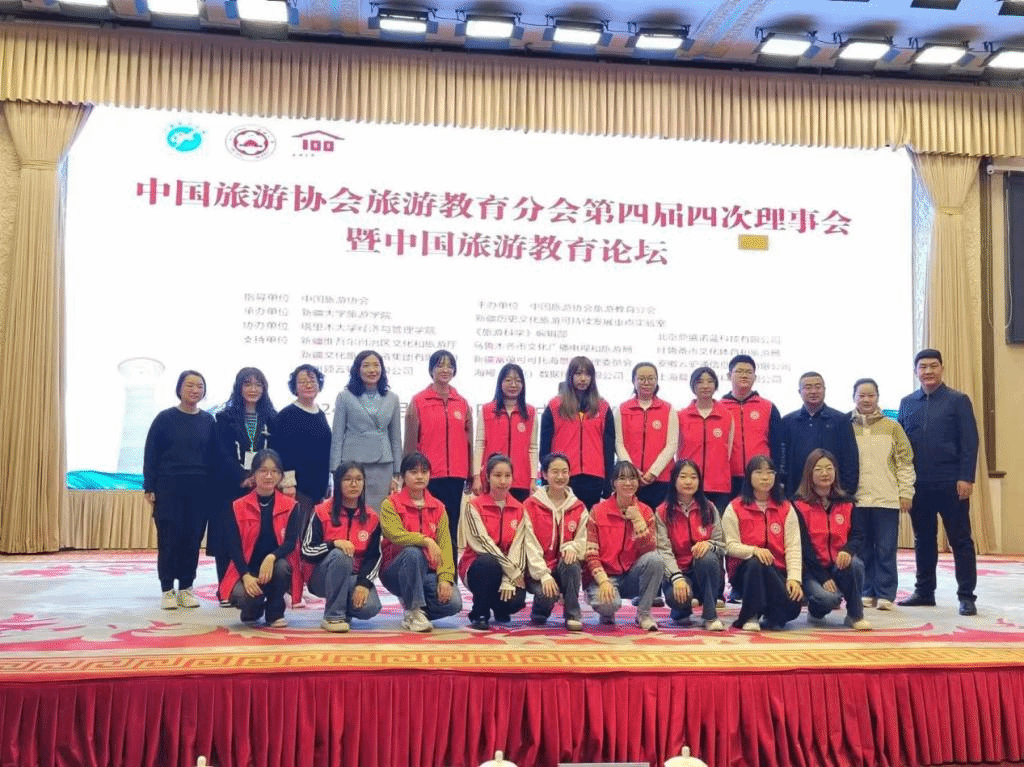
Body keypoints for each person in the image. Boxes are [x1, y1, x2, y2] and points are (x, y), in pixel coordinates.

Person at [897, 349, 980, 616]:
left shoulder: (958, 400)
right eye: (923, 367)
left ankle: (966, 596)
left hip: (951, 482)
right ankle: (924, 591)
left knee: (960, 540)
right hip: (919, 484)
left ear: (942, 368)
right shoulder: (907, 403)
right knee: (923, 539)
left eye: (933, 366)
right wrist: (903, 484)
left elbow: (970, 441)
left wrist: (966, 477)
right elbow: (901, 446)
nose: (928, 371)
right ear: (915, 372)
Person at [143, 370, 216, 610]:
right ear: (179, 388)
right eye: (190, 385)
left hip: (200, 489)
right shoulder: (165, 418)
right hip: (169, 487)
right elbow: (151, 454)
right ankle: (167, 589)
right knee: (168, 539)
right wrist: (149, 485)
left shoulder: (208, 421)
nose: (195, 390)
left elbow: (214, 457)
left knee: (192, 539)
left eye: (200, 386)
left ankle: (186, 587)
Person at [459, 454, 554, 630]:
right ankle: (480, 612)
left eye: (507, 475)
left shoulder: (520, 508)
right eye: (497, 475)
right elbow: (482, 543)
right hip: (478, 566)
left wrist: (509, 580)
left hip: (509, 569)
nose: (503, 481)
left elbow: (519, 547)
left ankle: (499, 607)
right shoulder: (474, 506)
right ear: (488, 477)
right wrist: (510, 571)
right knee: (488, 563)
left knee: (515, 600)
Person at [218, 449, 303, 628]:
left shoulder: (291, 506)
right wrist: (246, 575)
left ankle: (275, 612)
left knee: (282, 567)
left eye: (274, 471)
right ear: (254, 474)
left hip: (274, 567)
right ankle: (253, 609)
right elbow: (233, 547)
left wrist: (271, 557)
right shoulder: (237, 506)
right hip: (247, 569)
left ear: (280, 476)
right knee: (246, 598)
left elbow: (290, 543)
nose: (268, 476)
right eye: (263, 471)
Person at [379, 452, 463, 631]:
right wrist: (425, 541)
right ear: (403, 476)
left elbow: (445, 545)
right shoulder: (390, 504)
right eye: (413, 472)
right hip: (395, 570)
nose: (419, 476)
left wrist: (445, 578)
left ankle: (414, 608)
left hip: (427, 571)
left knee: (454, 603)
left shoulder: (438, 507)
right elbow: (395, 535)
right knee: (413, 552)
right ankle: (414, 609)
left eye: (424, 472)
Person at [851, 378, 915, 611]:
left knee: (886, 548)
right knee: (863, 548)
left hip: (887, 498)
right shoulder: (846, 426)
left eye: (871, 395)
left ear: (878, 397)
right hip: (857, 499)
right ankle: (866, 590)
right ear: (854, 397)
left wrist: (906, 492)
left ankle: (886, 593)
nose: (866, 400)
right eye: (862, 395)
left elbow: (905, 462)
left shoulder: (892, 427)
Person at [212, 367, 276, 600]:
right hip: (231, 485)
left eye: (258, 384)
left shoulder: (271, 417)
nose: (253, 389)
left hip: (262, 486)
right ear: (239, 387)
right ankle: (225, 588)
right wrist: (243, 477)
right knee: (228, 535)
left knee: (256, 535)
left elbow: (276, 451)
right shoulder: (225, 418)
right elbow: (221, 453)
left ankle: (255, 583)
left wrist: (260, 477)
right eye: (247, 384)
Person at [404, 349, 473, 564]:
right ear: (431, 370)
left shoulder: (462, 403)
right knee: (428, 528)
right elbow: (410, 442)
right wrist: (408, 473)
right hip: (427, 476)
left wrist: (471, 474)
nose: (445, 370)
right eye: (440, 365)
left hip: (456, 476)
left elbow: (469, 442)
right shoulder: (419, 401)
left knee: (451, 527)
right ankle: (428, 572)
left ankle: (449, 575)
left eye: (449, 365)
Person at [722, 455, 803, 631]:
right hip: (745, 572)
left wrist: (794, 578)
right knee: (755, 562)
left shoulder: (786, 508)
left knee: (793, 606)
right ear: (749, 476)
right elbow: (729, 545)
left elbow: (793, 547)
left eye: (770, 472)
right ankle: (750, 616)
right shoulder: (735, 507)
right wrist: (754, 550)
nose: (765, 478)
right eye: (759, 472)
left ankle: (769, 613)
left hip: (777, 572)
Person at [792, 449, 871, 630]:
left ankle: (855, 615)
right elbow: (803, 547)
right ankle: (815, 611)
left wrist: (848, 550)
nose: (825, 473)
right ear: (809, 473)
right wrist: (823, 577)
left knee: (856, 564)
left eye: (829, 468)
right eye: (818, 469)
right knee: (828, 599)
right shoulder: (798, 505)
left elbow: (858, 535)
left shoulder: (847, 502)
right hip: (811, 570)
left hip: (838, 565)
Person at [301, 462, 383, 632]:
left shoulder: (372, 517)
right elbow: (306, 550)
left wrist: (364, 584)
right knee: (342, 555)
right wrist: (333, 544)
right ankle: (333, 617)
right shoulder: (321, 511)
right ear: (338, 482)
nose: (354, 484)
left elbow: (374, 557)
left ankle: (342, 607)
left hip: (353, 577)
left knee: (370, 607)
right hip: (321, 577)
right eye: (347, 479)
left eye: (358, 479)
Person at [584, 460, 665, 631]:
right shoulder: (598, 511)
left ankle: (644, 614)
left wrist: (638, 521)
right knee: (608, 605)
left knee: (656, 560)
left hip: (631, 576)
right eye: (622, 478)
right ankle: (606, 611)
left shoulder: (645, 512)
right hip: (605, 577)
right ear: (613, 483)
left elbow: (650, 550)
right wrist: (603, 581)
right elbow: (591, 554)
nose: (628, 483)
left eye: (632, 478)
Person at [654, 459, 725, 631]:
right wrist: (676, 577)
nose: (688, 482)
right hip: (678, 573)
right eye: (683, 477)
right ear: (674, 480)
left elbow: (722, 545)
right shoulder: (662, 511)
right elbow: (663, 550)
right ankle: (682, 608)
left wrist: (709, 544)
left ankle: (710, 615)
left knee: (707, 557)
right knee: (679, 605)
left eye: (693, 477)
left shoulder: (709, 508)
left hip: (703, 570)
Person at [522, 452, 589, 631]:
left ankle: (573, 614)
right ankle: (540, 609)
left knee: (571, 562)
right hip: (537, 570)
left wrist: (572, 547)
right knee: (547, 594)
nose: (560, 476)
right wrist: (543, 574)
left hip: (564, 569)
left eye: (564, 472)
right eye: (555, 472)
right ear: (544, 474)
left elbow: (583, 539)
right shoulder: (530, 506)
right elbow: (529, 545)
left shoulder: (579, 507)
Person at [330, 350, 402, 513]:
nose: (372, 370)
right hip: (352, 464)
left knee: (379, 512)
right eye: (366, 365)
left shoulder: (392, 398)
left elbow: (396, 438)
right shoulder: (344, 397)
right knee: (353, 511)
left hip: (383, 465)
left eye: (376, 365)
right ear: (357, 369)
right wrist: (335, 469)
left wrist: (397, 471)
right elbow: (337, 437)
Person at [540, 356, 615, 509]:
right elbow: (544, 446)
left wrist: (608, 481)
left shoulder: (603, 407)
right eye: (578, 373)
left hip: (594, 477)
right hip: (564, 476)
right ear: (570, 376)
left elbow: (609, 447)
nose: (583, 379)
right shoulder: (555, 406)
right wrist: (546, 475)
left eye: (587, 374)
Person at [780, 371, 860, 497]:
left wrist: (846, 491)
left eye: (818, 387)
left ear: (824, 390)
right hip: (796, 493)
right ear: (799, 392)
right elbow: (782, 459)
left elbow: (850, 458)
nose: (813, 391)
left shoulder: (840, 420)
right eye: (808, 387)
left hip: (832, 493)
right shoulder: (788, 421)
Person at [273, 364, 331, 530]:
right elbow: (281, 453)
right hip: (296, 489)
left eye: (312, 381)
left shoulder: (320, 414)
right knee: (296, 533)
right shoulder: (287, 415)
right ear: (295, 387)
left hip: (318, 487)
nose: (308, 385)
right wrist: (288, 484)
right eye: (303, 382)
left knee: (312, 534)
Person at [614, 362, 679, 510]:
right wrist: (632, 471)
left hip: (662, 479)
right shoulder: (622, 408)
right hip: (630, 480)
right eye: (641, 379)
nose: (646, 382)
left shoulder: (668, 409)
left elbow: (672, 445)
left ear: (657, 381)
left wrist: (653, 472)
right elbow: (618, 443)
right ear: (633, 381)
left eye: (651, 378)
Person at [473, 363, 537, 503]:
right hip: (493, 478)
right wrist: (476, 476)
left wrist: (533, 479)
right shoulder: (487, 410)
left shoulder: (530, 412)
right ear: (500, 383)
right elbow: (480, 445)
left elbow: (532, 448)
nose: (513, 385)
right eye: (508, 380)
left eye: (518, 381)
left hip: (521, 480)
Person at [719, 355, 782, 497]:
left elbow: (777, 445)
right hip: (728, 477)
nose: (744, 375)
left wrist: (777, 474)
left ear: (755, 377)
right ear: (729, 376)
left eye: (748, 372)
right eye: (739, 371)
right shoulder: (719, 407)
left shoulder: (768, 407)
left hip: (761, 476)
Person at [677, 366, 734, 513]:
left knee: (716, 525)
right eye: (700, 382)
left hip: (718, 485)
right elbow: (676, 449)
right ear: (693, 386)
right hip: (688, 484)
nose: (705, 385)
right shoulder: (681, 416)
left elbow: (728, 451)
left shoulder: (726, 416)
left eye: (710, 381)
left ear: (715, 385)